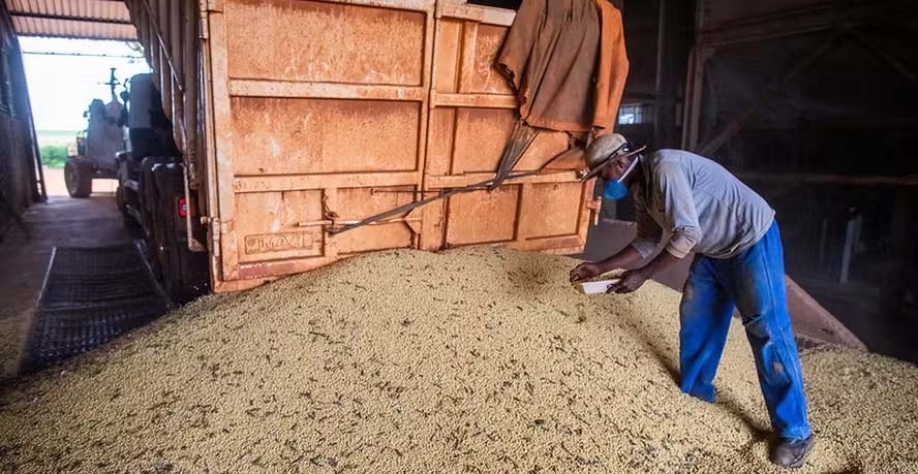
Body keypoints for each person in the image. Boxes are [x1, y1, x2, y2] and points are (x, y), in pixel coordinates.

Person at [570, 133, 815, 469]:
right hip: (715, 251)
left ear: (620, 162)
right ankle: (697, 392)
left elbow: (688, 233)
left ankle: (795, 432)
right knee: (696, 314)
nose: (603, 182)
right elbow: (646, 241)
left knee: (766, 328)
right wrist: (601, 266)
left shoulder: (665, 169)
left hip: (750, 240)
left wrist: (645, 274)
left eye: (602, 174)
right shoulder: (642, 190)